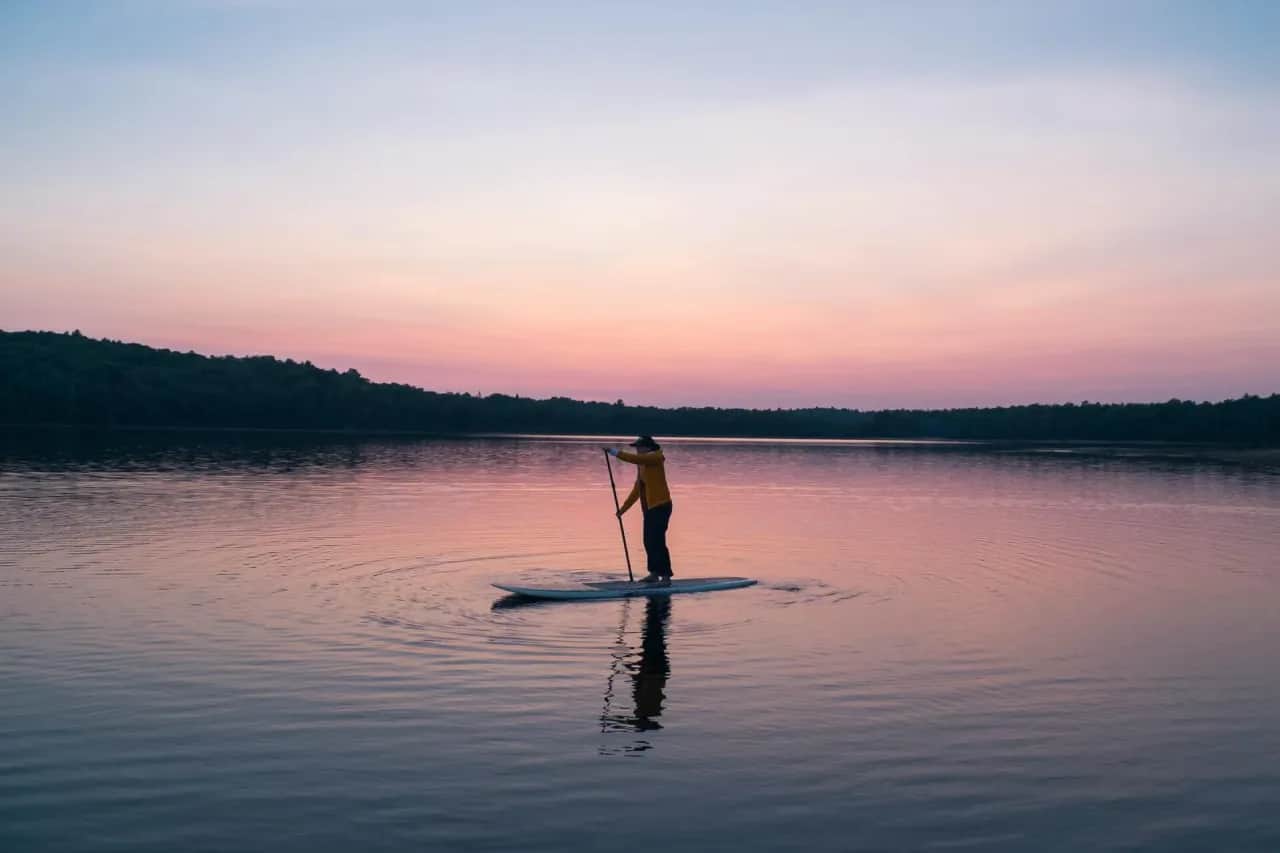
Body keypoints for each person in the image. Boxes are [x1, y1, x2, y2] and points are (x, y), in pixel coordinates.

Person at [605, 435, 674, 584]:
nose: (637, 450)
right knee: (648, 541)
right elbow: (637, 490)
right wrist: (622, 510)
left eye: (639, 447)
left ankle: (666, 576)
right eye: (636, 448)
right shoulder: (642, 465)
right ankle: (654, 574)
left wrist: (614, 452)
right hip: (649, 509)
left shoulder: (656, 457)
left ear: (648, 447)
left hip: (661, 506)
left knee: (657, 541)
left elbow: (636, 459)